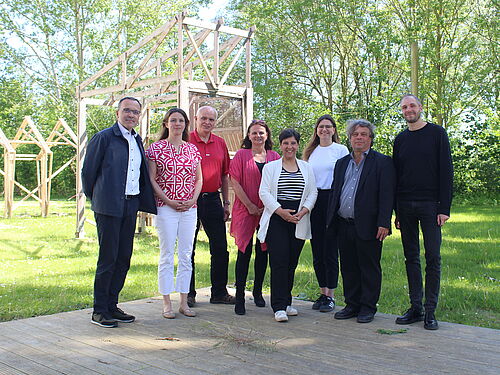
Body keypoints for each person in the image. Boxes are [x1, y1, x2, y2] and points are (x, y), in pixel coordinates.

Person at [82, 97, 156, 328]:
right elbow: (88, 173)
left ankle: (113, 305)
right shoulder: (104, 138)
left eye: (135, 112)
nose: (131, 115)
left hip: (130, 205)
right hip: (108, 206)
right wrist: (98, 198)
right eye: (127, 111)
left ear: (139, 115)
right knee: (108, 257)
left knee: (124, 257)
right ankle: (99, 310)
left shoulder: (136, 139)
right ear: (117, 112)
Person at [393, 94, 453, 330]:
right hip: (405, 206)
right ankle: (415, 307)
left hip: (431, 206)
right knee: (411, 257)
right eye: (404, 107)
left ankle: (430, 311)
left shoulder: (437, 134)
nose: (409, 110)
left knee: (433, 258)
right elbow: (396, 177)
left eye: (412, 106)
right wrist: (396, 210)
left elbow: (446, 172)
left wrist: (444, 208)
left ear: (420, 108)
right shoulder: (400, 139)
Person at [326, 119, 395, 324]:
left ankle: (367, 307)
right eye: (355, 134)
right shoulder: (341, 163)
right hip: (343, 223)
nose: (359, 137)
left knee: (369, 267)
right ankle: (352, 304)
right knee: (348, 267)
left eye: (364, 134)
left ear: (370, 139)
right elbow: (335, 193)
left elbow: (387, 195)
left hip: (370, 225)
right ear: (350, 138)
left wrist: (384, 222)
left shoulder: (382, 162)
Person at [146, 108, 202, 319]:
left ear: (186, 124)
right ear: (166, 124)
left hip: (190, 209)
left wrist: (193, 199)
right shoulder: (156, 149)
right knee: (167, 254)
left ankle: (184, 302)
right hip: (165, 207)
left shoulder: (192, 150)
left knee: (186, 255)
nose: (177, 124)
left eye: (181, 120)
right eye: (173, 120)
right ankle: (166, 303)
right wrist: (168, 200)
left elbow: (199, 180)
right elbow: (152, 179)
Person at [258, 128, 317, 322]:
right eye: (285, 143)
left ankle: (287, 301)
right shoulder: (271, 167)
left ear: (298, 145)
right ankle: (278, 306)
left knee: (292, 262)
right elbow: (264, 193)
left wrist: (304, 210)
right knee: (279, 262)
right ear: (280, 145)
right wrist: (280, 212)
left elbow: (313, 193)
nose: (289, 147)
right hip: (277, 219)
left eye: (293, 143)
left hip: (299, 219)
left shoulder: (306, 168)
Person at [229, 120, 280, 315]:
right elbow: (235, 181)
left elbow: (278, 182)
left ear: (267, 135)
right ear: (248, 136)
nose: (258, 136)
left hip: (267, 210)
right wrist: (250, 205)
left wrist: (268, 206)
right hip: (245, 209)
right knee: (244, 251)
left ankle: (258, 292)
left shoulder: (275, 157)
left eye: (261, 133)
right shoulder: (242, 155)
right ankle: (240, 297)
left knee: (263, 251)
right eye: (254, 133)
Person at [188, 105, 235, 306]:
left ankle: (219, 292)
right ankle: (188, 293)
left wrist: (226, 202)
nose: (207, 122)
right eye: (203, 118)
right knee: (187, 249)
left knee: (220, 248)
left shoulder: (220, 143)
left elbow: (225, 175)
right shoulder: (186, 140)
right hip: (190, 200)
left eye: (211, 119)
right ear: (196, 119)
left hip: (213, 199)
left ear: (215, 122)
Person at [303, 115, 349, 313]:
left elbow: (346, 177)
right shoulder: (310, 152)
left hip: (333, 199)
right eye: (321, 127)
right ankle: (322, 292)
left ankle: (331, 295)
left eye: (328, 127)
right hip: (315, 201)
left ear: (334, 130)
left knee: (330, 249)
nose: (324, 130)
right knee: (317, 250)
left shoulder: (340, 150)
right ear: (316, 130)